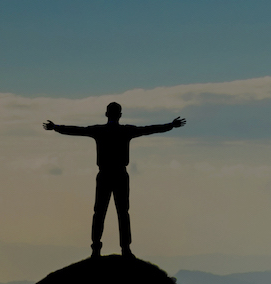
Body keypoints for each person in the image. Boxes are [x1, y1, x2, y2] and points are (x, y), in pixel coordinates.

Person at [43, 103, 186, 256]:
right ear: (120, 115)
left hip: (104, 175)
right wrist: (170, 125)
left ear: (106, 114)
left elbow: (78, 130)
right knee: (123, 212)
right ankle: (125, 249)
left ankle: (96, 249)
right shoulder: (126, 130)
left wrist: (56, 127)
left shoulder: (100, 130)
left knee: (99, 212)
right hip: (120, 175)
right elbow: (148, 129)